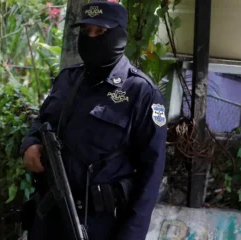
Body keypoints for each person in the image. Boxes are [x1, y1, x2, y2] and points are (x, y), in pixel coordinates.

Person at [20, 2, 167, 240]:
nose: (91, 38)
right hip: (48, 220)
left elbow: (150, 176)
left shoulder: (142, 94)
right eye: (86, 31)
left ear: (121, 35)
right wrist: (30, 143)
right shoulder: (68, 79)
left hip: (99, 227)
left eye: (100, 32)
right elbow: (42, 122)